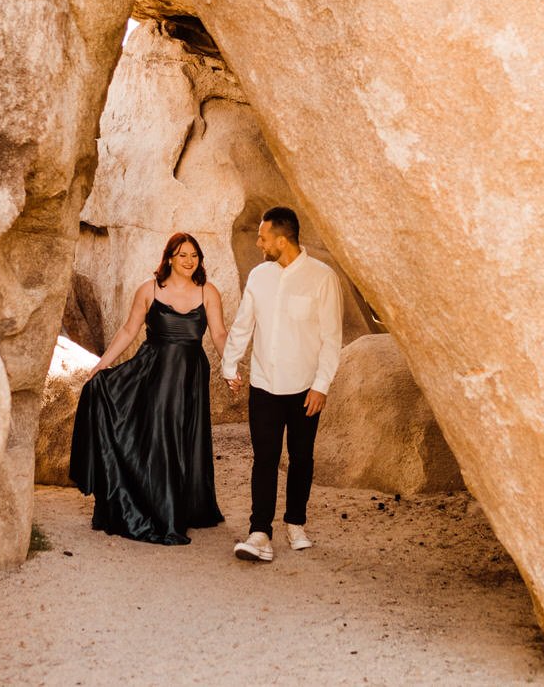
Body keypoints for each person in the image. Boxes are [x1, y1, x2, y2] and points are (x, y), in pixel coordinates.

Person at [69, 233, 228, 544]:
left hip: (191, 374)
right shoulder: (149, 289)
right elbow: (130, 329)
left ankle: (183, 507)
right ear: (169, 257)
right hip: (154, 372)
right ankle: (160, 510)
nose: (189, 260)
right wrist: (103, 364)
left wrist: (232, 366)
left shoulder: (208, 291)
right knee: (161, 437)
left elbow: (220, 333)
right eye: (182, 255)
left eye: (194, 255)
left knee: (184, 438)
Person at [222, 206, 343, 563]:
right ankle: (260, 531)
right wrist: (230, 364)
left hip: (306, 388)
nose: (259, 243)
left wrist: (321, 385)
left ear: (282, 239)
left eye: (263, 237)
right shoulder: (259, 276)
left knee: (302, 458)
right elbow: (243, 323)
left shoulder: (322, 278)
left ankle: (296, 523)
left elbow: (331, 338)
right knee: (265, 459)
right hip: (264, 385)